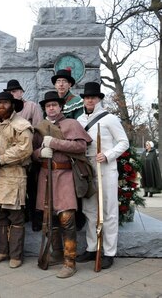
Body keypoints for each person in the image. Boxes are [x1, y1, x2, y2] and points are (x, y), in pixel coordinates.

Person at [33, 91, 92, 278]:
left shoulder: (71, 124)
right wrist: (40, 153)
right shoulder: (40, 126)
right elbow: (32, 151)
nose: (51, 108)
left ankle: (70, 261)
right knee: (49, 219)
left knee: (67, 218)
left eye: (54, 105)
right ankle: (57, 253)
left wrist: (55, 143)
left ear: (60, 107)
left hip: (65, 174)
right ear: (45, 108)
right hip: (45, 174)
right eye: (48, 106)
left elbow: (81, 147)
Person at [76, 82, 129, 269]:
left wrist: (107, 155)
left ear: (99, 99)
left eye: (93, 97)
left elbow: (124, 142)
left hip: (106, 169)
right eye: (87, 97)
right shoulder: (80, 120)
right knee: (90, 211)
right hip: (88, 170)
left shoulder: (110, 119)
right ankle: (92, 248)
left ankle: (108, 252)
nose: (89, 100)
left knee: (109, 212)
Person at [0, 91, 33, 269]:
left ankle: (16, 255)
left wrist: (0, 159)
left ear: (13, 105)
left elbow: (24, 149)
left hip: (14, 175)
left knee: (15, 216)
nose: (1, 106)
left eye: (5, 103)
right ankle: (2, 251)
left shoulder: (22, 125)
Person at [4, 79, 44, 231]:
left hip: (29, 154)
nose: (12, 94)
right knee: (15, 188)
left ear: (21, 92)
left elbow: (39, 129)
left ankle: (36, 219)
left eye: (15, 91)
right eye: (10, 92)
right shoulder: (6, 110)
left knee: (32, 188)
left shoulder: (31, 106)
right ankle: (22, 216)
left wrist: (35, 153)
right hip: (11, 157)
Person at [52, 68, 86, 230]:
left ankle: (78, 217)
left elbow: (80, 124)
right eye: (58, 82)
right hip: (54, 150)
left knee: (75, 183)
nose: (61, 84)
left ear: (70, 84)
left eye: (64, 82)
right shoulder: (52, 102)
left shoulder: (76, 101)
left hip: (70, 147)